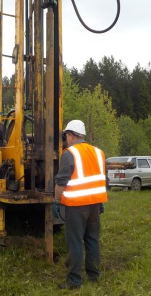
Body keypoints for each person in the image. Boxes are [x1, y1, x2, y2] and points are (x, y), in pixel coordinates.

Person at [54, 120, 108, 289]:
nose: (66, 139)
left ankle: (74, 282)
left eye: (66, 136)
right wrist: (98, 202)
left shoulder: (69, 153)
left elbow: (61, 181)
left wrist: (56, 201)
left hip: (76, 206)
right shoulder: (99, 152)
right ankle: (94, 276)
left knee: (75, 242)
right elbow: (103, 179)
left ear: (71, 135)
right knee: (92, 240)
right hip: (95, 204)